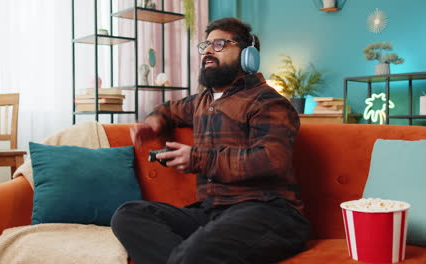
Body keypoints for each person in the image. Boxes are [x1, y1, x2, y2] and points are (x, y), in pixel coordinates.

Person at [111, 17, 310, 264]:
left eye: (219, 44)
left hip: (268, 212)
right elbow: (170, 109)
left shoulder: (269, 102)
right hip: (213, 213)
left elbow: (271, 159)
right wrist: (153, 124)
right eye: (205, 45)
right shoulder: (203, 102)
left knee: (194, 252)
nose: (207, 50)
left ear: (248, 55)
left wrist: (197, 159)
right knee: (128, 215)